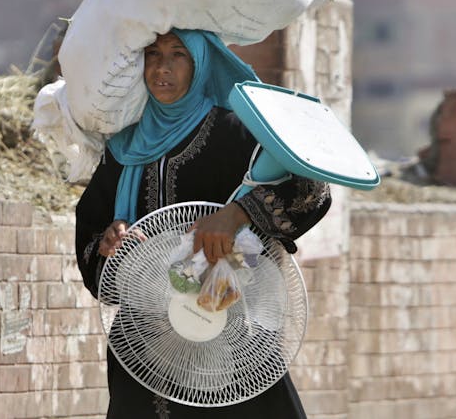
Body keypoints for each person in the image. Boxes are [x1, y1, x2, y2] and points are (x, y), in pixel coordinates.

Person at [75, 29, 331, 418]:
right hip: (147, 345)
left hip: (233, 342)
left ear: (200, 64)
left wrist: (239, 213)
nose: (162, 67)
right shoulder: (124, 148)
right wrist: (111, 243)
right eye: (153, 53)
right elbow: (93, 231)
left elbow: (312, 189)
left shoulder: (238, 133)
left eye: (178, 55)